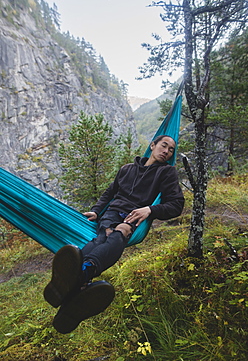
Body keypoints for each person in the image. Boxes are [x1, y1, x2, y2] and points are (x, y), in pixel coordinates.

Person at [44, 135, 185, 333]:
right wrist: (96, 210)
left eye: (171, 150)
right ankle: (79, 283)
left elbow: (177, 204)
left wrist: (150, 210)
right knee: (103, 236)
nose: (167, 152)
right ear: (152, 145)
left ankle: (82, 271)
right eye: (164, 146)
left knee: (120, 233)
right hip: (111, 212)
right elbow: (109, 194)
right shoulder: (127, 169)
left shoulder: (166, 172)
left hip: (134, 216)